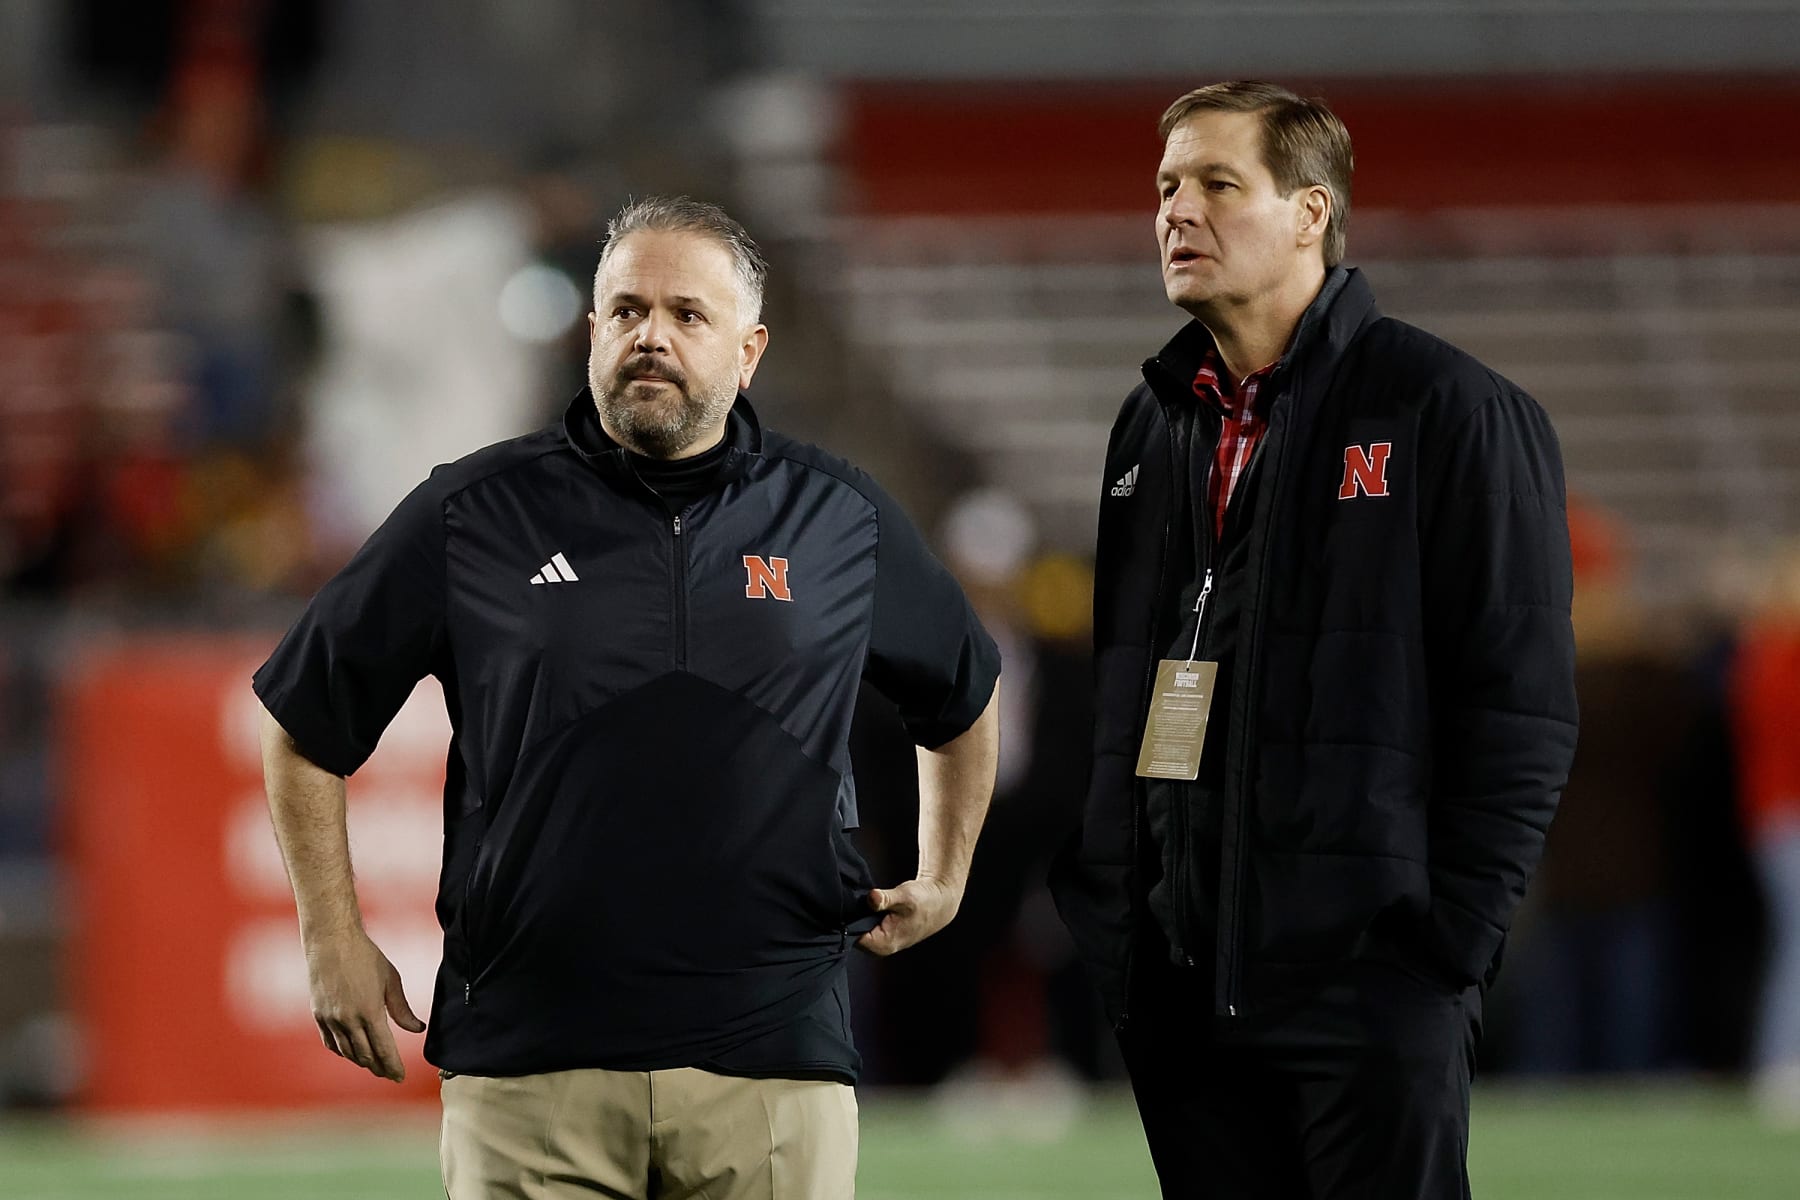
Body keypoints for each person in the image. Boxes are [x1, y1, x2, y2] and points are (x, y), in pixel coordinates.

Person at [254, 195, 1001, 1200]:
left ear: (750, 350)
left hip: (774, 1069)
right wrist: (328, 936)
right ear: (592, 330)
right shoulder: (471, 512)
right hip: (529, 1074)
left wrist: (945, 874)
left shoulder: (839, 516)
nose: (651, 335)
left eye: (688, 315)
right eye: (627, 310)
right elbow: (302, 724)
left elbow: (960, 695)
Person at [1049, 81, 1578, 1198]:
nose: (1175, 212)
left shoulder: (1451, 410)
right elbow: (1123, 694)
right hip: (1183, 989)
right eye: (1165, 187)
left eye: (1217, 184)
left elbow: (1521, 709)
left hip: (1370, 991)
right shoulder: (1152, 422)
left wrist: (1441, 956)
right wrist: (1115, 921)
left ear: (1311, 213)